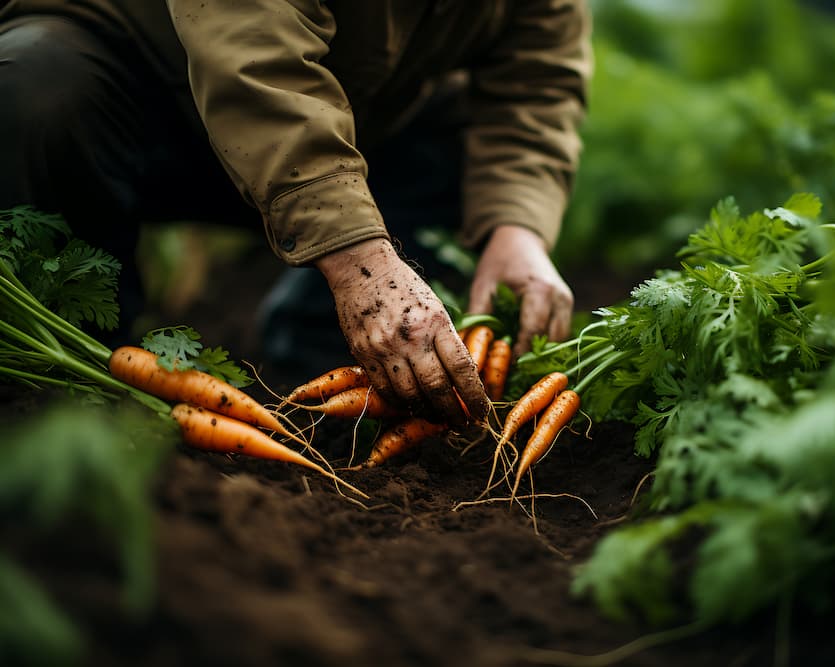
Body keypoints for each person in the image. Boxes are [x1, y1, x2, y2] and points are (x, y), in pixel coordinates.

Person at [0, 1, 591, 427]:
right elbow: (255, 54)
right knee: (37, 86)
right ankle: (80, 391)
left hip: (336, 128)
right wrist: (359, 260)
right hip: (143, 96)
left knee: (458, 137)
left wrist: (517, 228)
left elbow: (539, 83)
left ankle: (329, 386)